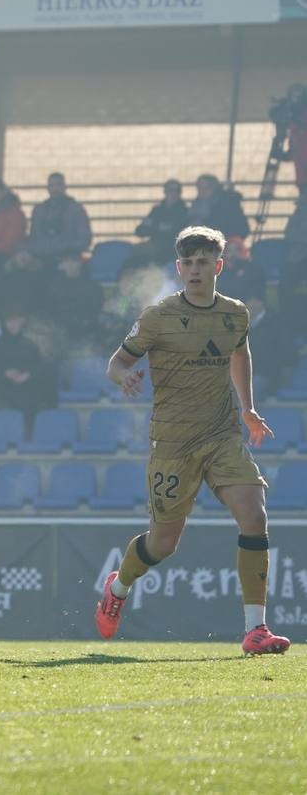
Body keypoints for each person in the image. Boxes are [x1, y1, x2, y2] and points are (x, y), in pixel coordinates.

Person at [96, 226, 289, 655]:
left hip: (222, 435)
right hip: (173, 443)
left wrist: (248, 408)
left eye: (204, 262)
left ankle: (255, 630)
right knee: (163, 543)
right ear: (179, 268)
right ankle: (120, 586)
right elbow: (118, 360)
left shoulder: (235, 313)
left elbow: (240, 353)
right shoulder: (158, 317)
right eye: (188, 263)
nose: (195, 269)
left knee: (254, 516)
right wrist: (123, 376)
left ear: (217, 266)